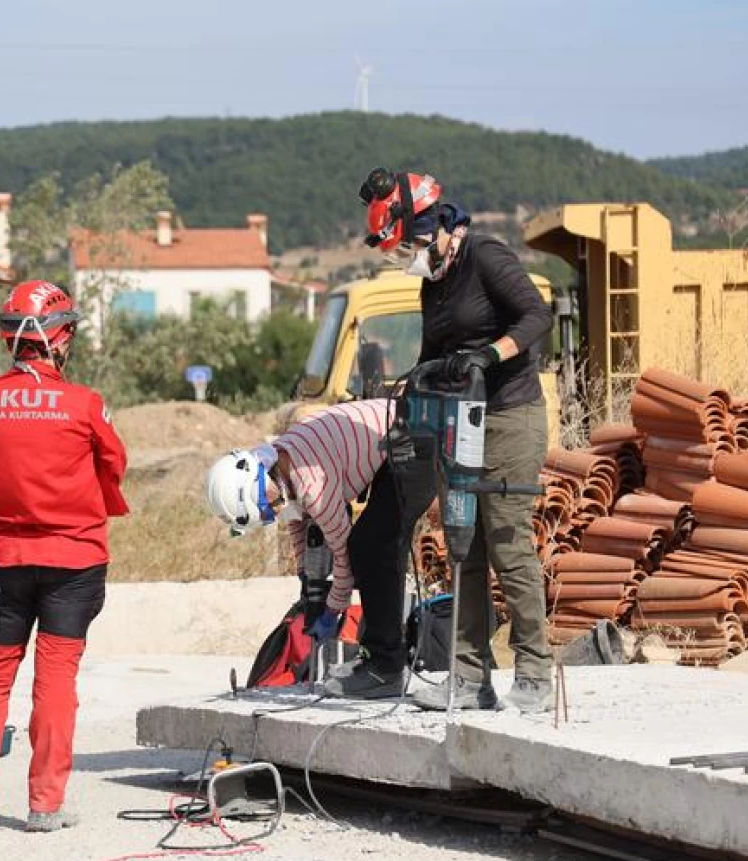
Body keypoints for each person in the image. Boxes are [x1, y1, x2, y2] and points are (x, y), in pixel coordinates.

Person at [354, 167, 554, 711]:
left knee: (508, 543)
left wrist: (492, 354)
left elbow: (539, 314)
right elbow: (428, 358)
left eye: (412, 245)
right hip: (458, 422)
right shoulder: (432, 283)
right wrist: (405, 412)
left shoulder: (485, 257)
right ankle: (469, 678)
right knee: (464, 547)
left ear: (436, 223)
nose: (409, 257)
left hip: (510, 417)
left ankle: (535, 672)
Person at [0, 281, 128, 834]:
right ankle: (45, 805)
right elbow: (114, 466)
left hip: (5, 559)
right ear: (63, 335)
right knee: (56, 680)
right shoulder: (85, 404)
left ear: (10, 337)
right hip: (73, 561)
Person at [205, 398, 402, 697]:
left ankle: (384, 666)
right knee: (366, 547)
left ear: (258, 479)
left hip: (406, 437)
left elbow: (344, 558)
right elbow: (295, 520)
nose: (273, 511)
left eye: (267, 506)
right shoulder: (279, 464)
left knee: (370, 548)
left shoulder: (312, 487)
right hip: (385, 437)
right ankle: (377, 658)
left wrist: (330, 611)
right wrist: (306, 578)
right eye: (267, 513)